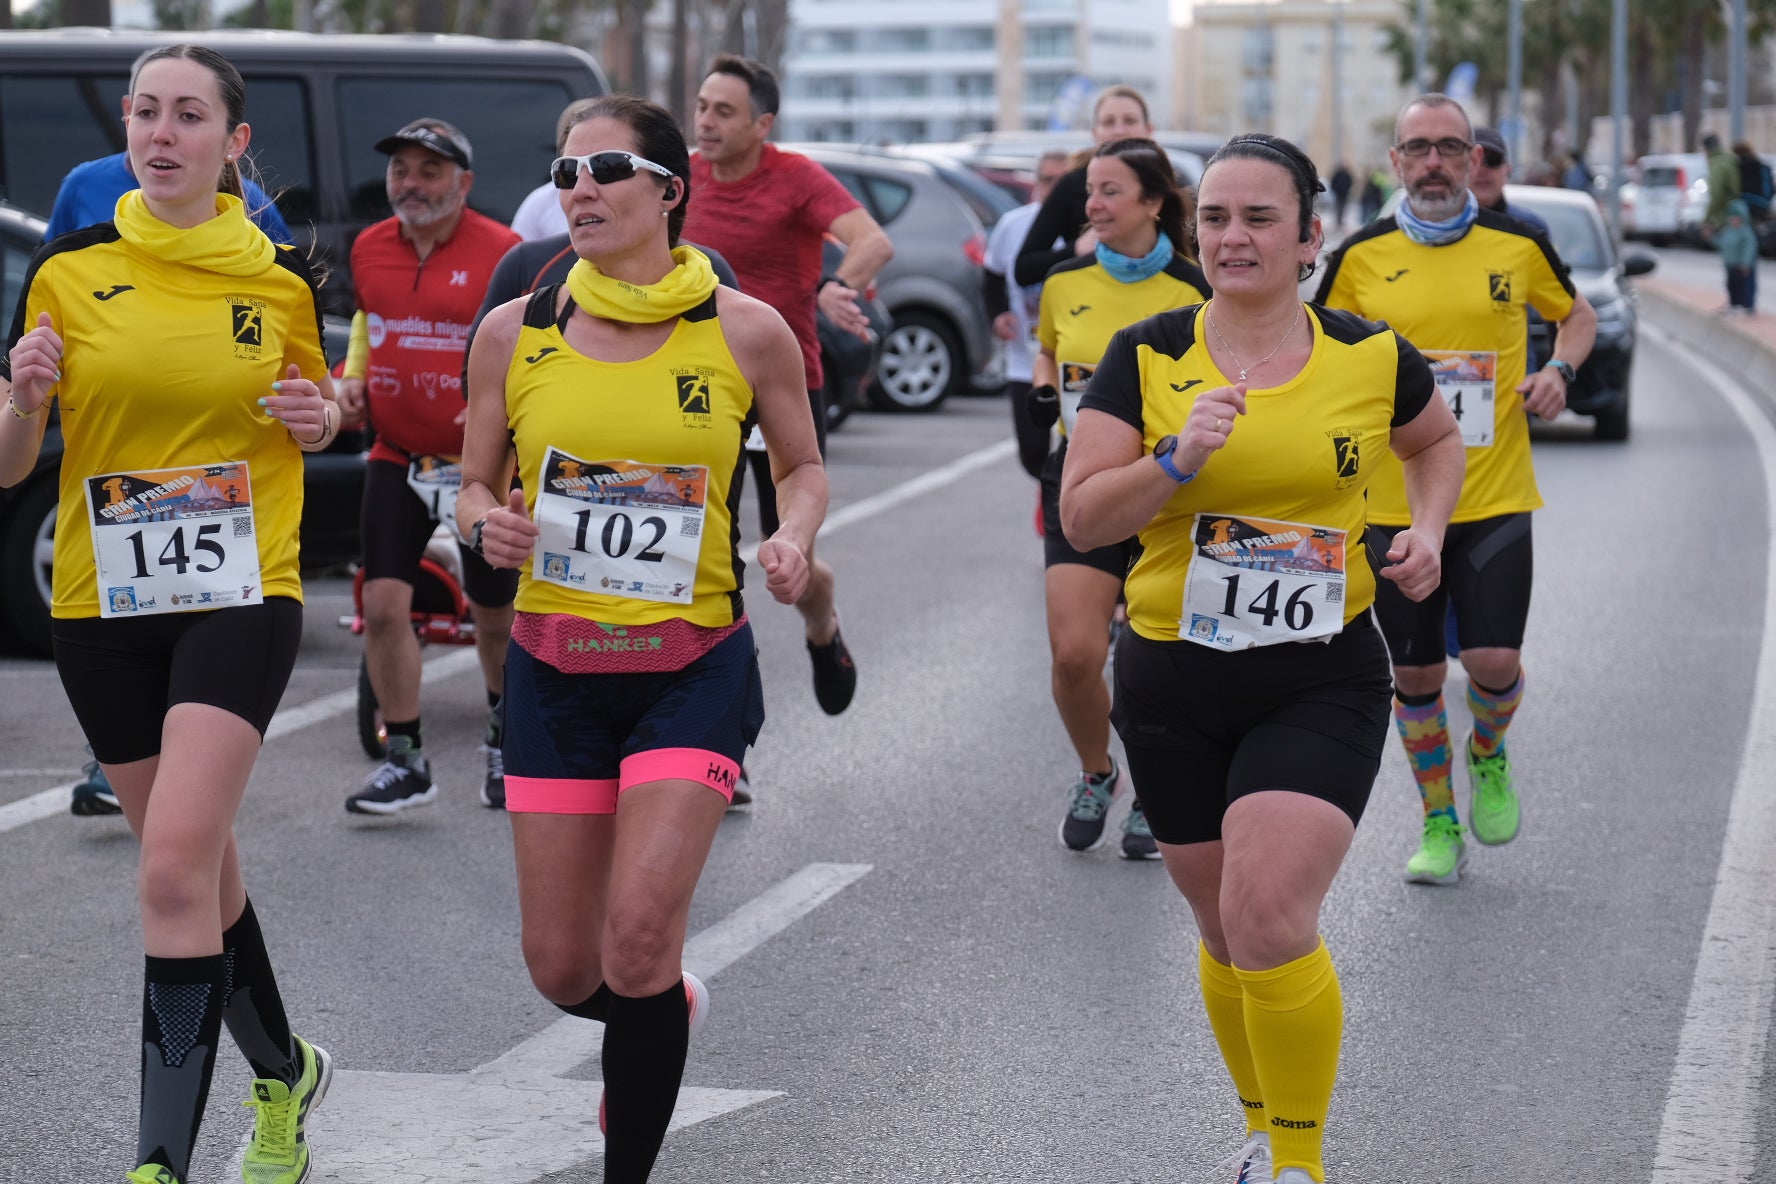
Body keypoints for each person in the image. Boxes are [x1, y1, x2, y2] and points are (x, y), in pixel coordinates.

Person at [1059, 133, 1463, 1184]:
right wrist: (1175, 456)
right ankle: (1258, 1119)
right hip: (1170, 672)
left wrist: (1427, 530)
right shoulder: (1146, 354)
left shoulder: (1371, 355)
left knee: (1271, 909)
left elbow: (1433, 444)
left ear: (1310, 237)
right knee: (1221, 922)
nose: (1234, 237)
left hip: (1318, 669)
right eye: (1218, 219)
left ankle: (1298, 1159)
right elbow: (1083, 511)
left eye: (1260, 219)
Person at [456, 93, 826, 1183]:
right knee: (565, 966)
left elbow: (800, 467)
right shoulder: (514, 330)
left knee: (634, 939)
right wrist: (490, 525)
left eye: (605, 168)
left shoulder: (743, 328)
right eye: (564, 172)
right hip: (555, 671)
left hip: (689, 668)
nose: (579, 190)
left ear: (669, 188)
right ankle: (662, 1007)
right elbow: (472, 485)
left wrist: (793, 538)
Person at [2, 43, 336, 1184]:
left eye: (188, 114)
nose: (160, 132)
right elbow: (10, 464)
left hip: (242, 591)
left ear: (232, 143)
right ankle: (285, 1072)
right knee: (198, 873)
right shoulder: (66, 272)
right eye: (145, 111)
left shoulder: (284, 279)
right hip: (105, 601)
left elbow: (318, 412)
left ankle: (156, 1163)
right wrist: (25, 395)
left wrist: (320, 414)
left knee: (168, 874)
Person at [1316, 93, 1597, 887]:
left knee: (1495, 662)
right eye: (1418, 148)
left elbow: (1576, 317)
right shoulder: (1360, 257)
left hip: (1495, 494)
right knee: (1416, 679)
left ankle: (1488, 749)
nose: (1434, 161)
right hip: (1391, 507)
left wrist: (1559, 371)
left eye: (1450, 147)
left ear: (1474, 160)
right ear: (1396, 163)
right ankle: (1440, 820)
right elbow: (1319, 354)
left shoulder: (1518, 243)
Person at [682, 53, 893, 717]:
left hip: (784, 385)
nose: (707, 122)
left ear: (761, 123)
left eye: (725, 111)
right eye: (703, 107)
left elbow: (871, 241)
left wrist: (838, 285)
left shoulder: (796, 176)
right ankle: (717, 730)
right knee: (700, 561)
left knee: (789, 563)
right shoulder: (681, 179)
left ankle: (822, 627)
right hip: (696, 388)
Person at [1027, 138, 1209, 861]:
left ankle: (1158, 789)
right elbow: (1049, 347)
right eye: (1088, 192)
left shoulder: (1196, 289)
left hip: (1170, 486)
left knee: (1156, 656)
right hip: (1081, 478)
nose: (1091, 205)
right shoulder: (1064, 280)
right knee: (1075, 655)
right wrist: (1047, 384)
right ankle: (1098, 772)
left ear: (1153, 202)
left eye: (1108, 192)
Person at [333, 118, 522, 814]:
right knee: (384, 607)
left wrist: (501, 412)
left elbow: (530, 346)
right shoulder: (369, 248)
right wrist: (351, 376)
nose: (410, 184)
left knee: (493, 615)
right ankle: (405, 758)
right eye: (400, 170)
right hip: (396, 453)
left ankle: (506, 747)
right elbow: (369, 323)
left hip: (481, 465)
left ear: (464, 184)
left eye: (429, 171)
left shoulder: (503, 252)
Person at [982, 148, 1070, 480]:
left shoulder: (1084, 230)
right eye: (1048, 180)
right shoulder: (1014, 224)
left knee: (1073, 444)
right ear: (1036, 183)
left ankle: (1058, 501)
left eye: (1063, 182)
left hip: (1075, 356)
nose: (1054, 188)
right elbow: (990, 276)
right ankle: (1050, 492)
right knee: (1032, 451)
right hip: (1025, 357)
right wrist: (999, 314)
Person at [1012, 85, 1156, 287]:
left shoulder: (1166, 185)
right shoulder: (1071, 184)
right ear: (1095, 133)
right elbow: (1024, 269)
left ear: (1149, 130)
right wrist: (1076, 249)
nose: (1119, 130)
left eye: (1130, 120)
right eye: (1108, 122)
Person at [1468, 127, 1549, 237]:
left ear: (1508, 169)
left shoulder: (1531, 228)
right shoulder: (1443, 229)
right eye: (1473, 161)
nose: (1482, 170)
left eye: (1493, 160)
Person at [1719, 197, 1759, 314]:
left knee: (1744, 287)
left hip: (1741, 266)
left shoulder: (1745, 232)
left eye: (1736, 217)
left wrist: (1746, 263)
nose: (1733, 220)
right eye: (1731, 217)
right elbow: (1722, 243)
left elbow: (1749, 248)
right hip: (1730, 264)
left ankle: (1746, 306)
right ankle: (1734, 304)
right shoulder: (1728, 231)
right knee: (1732, 286)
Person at [1704, 132, 1742, 238]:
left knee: (1731, 249)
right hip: (1740, 210)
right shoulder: (1729, 159)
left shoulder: (1716, 163)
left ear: (1706, 149)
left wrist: (1706, 219)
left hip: (1727, 215)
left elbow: (1716, 194)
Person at [1735, 139, 1773, 221]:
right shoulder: (1761, 165)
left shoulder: (1737, 167)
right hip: (1762, 203)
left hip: (1744, 203)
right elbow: (1770, 188)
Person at [1329, 162, 1354, 229]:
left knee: (1343, 207)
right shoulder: (1338, 174)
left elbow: (1350, 182)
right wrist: (1334, 189)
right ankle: (1337, 220)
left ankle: (1340, 220)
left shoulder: (1347, 174)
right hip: (1338, 193)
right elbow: (1333, 182)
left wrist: (1348, 189)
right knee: (1338, 207)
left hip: (1344, 193)